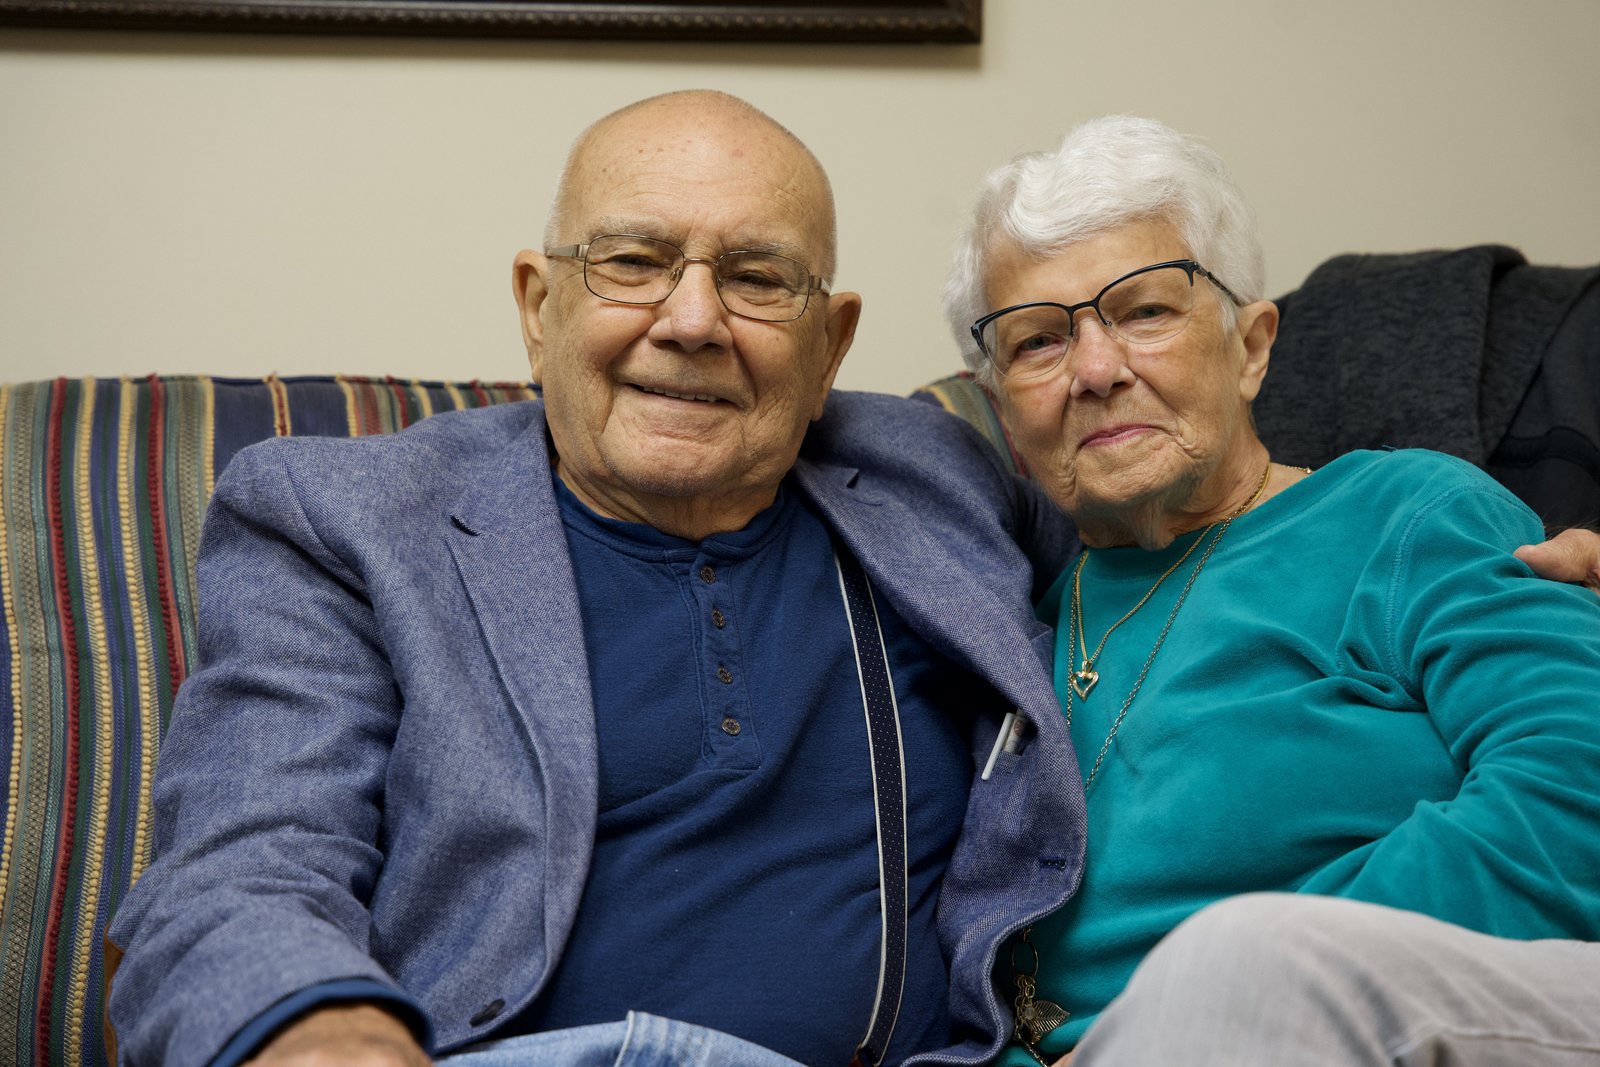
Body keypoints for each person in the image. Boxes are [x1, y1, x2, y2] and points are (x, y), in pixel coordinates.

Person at [104, 90, 1087, 1067]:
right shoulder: (348, 520)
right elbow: (245, 861)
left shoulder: (942, 472)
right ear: (538, 305)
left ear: (830, 343)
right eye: (633, 262)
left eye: (755, 277)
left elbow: (1188, 518)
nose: (694, 319)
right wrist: (324, 1034)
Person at [944, 114, 1600, 1066]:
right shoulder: (1010, 631)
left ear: (1250, 347)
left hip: (1426, 1007)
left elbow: (1576, 787)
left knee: (1239, 963)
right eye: (1038, 341)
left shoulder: (1407, 513)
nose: (1094, 369)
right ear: (1002, 409)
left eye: (1145, 312)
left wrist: (1215, 996)